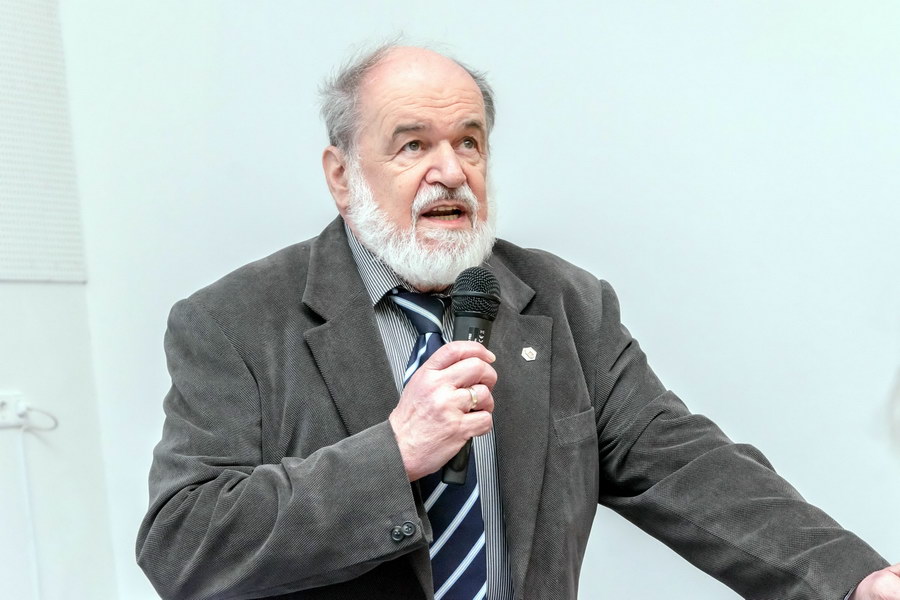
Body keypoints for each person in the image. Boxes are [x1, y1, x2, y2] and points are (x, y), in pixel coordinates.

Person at [136, 44, 900, 600]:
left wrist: (852, 577)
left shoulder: (563, 304)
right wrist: (393, 454)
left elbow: (686, 465)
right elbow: (184, 542)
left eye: (469, 142)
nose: (451, 171)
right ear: (341, 175)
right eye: (413, 144)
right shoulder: (233, 323)